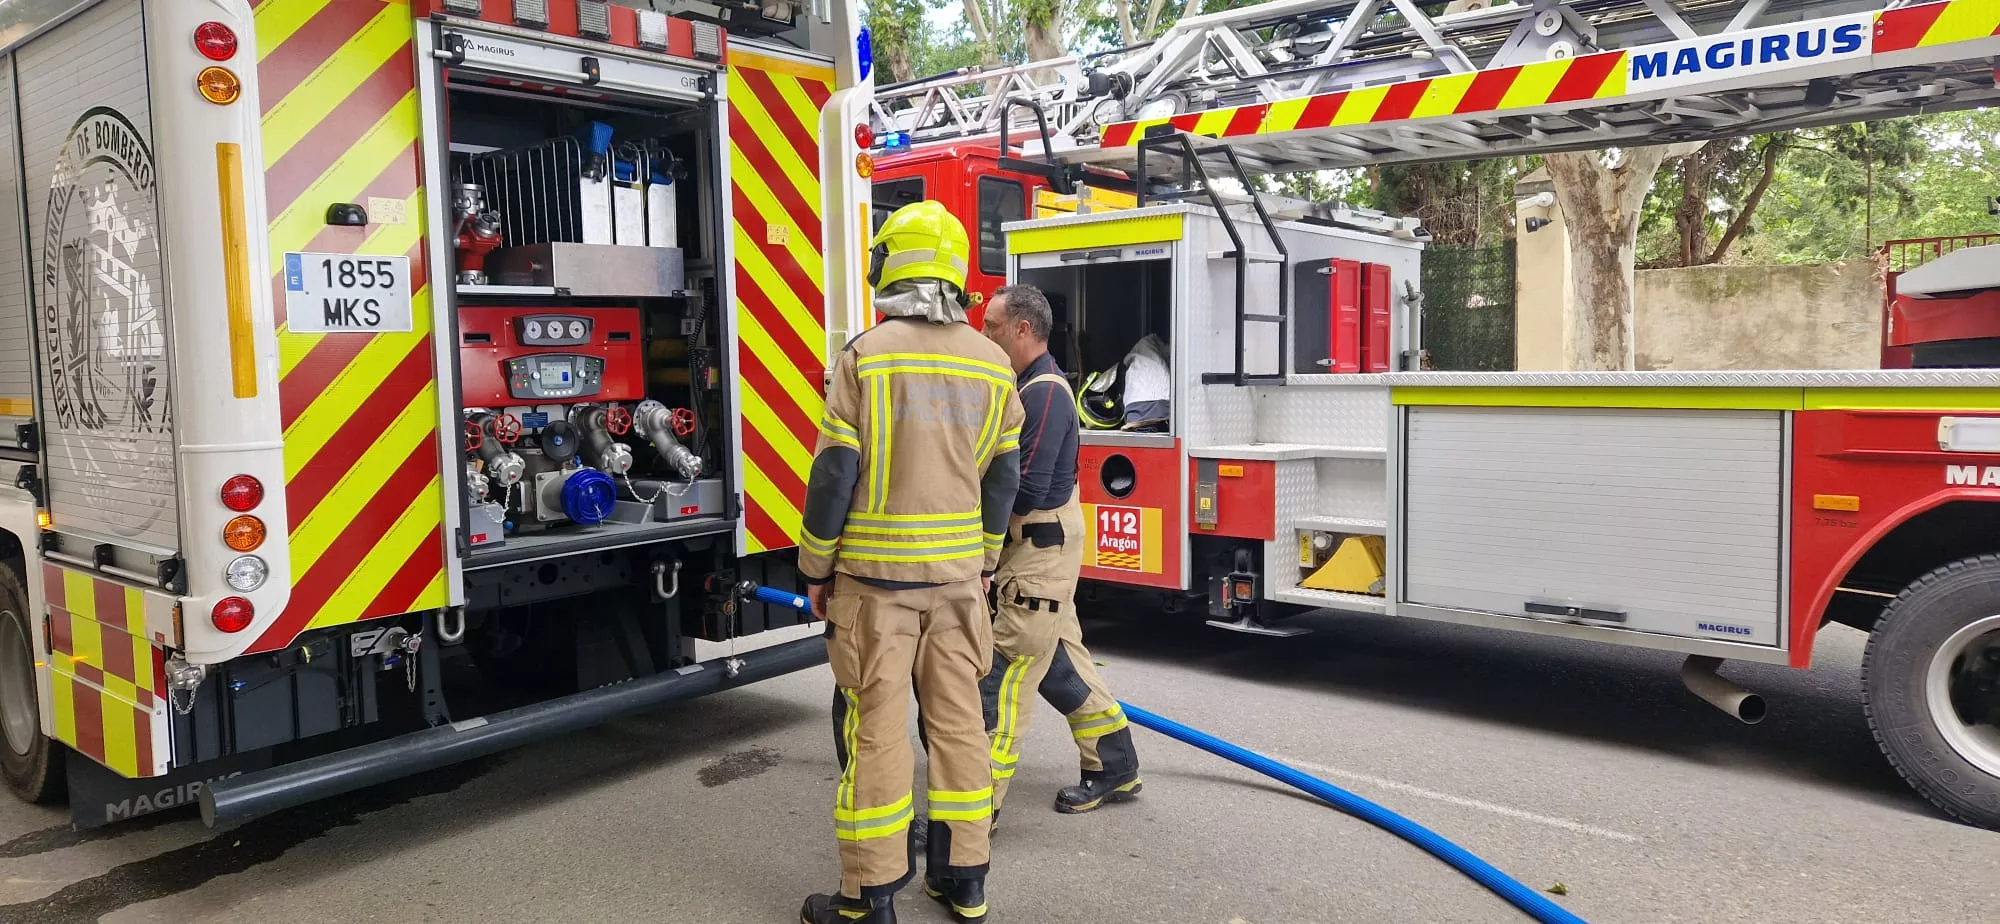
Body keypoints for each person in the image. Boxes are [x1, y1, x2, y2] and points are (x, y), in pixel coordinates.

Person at [797, 200, 1025, 924]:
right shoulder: (994, 364)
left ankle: (869, 897)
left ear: (891, 264)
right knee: (960, 728)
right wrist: (984, 560)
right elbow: (1004, 480)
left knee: (876, 731)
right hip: (958, 585)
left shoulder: (867, 355)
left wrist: (815, 567)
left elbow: (835, 473)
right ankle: (964, 881)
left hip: (875, 587)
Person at [976, 283, 1143, 825]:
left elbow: (1025, 490)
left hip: (1036, 554)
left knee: (1003, 677)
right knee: (1060, 665)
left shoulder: (1042, 393)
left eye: (992, 326)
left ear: (1022, 329)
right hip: (1040, 553)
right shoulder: (1029, 386)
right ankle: (1114, 765)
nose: (984, 333)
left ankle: (971, 815)